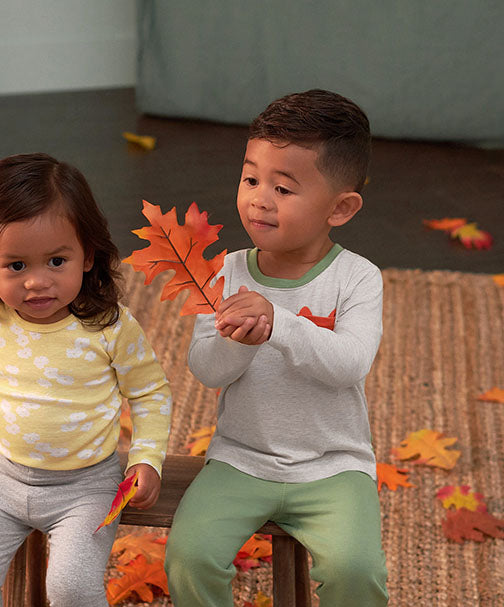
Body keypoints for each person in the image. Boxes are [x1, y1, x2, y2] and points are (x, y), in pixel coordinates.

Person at [164, 90, 388, 606]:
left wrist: (277, 324)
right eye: (250, 179)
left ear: (341, 208)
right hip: (240, 459)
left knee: (356, 570)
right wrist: (239, 343)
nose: (259, 198)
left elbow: (349, 364)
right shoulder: (224, 271)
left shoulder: (357, 278)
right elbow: (207, 371)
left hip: (333, 466)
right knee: (189, 556)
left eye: (283, 188)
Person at [0, 153, 172, 607]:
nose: (37, 283)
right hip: (4, 479)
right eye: (17, 266)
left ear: (87, 255)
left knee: (70, 589)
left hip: (88, 488)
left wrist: (147, 458)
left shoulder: (109, 325)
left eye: (56, 261)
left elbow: (150, 392)